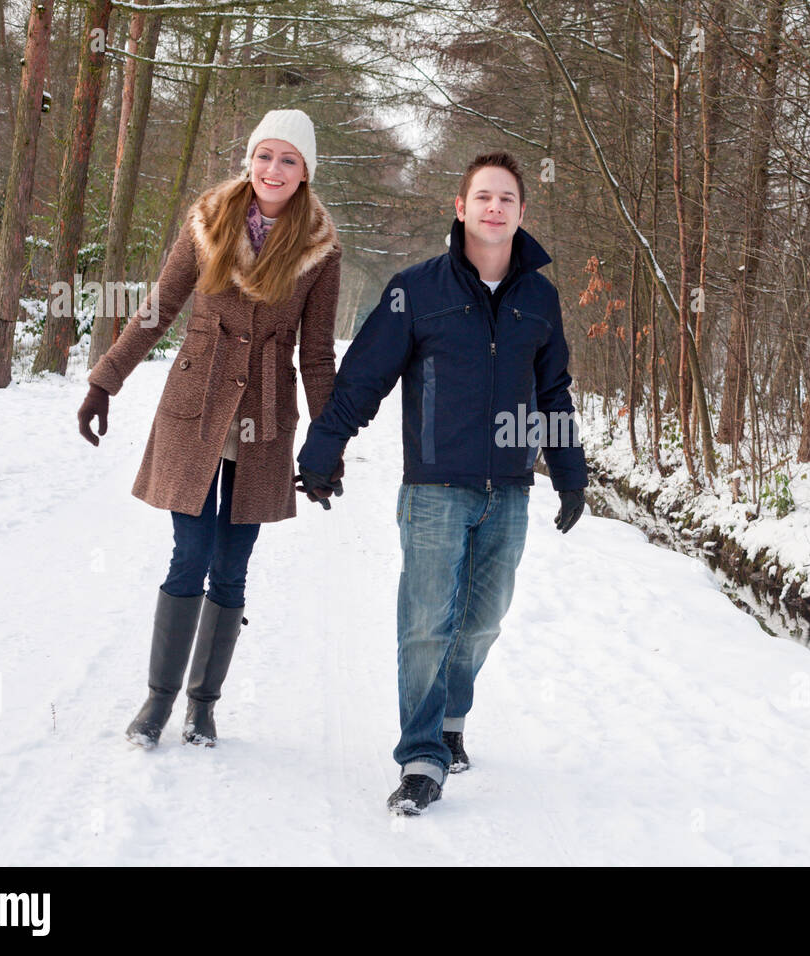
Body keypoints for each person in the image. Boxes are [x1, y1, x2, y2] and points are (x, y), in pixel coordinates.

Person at [296, 151, 587, 815]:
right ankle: (422, 756)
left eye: (506, 198)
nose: (494, 207)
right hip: (433, 490)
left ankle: (452, 716)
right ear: (460, 208)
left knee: (482, 623)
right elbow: (365, 376)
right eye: (482, 196)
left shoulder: (539, 298)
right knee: (427, 624)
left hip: (510, 490)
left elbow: (554, 391)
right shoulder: (416, 290)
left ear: (521, 212)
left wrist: (570, 474)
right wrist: (323, 448)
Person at [77, 109, 343, 749]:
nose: (272, 169)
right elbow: (159, 307)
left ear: (305, 172)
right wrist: (103, 381)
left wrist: (327, 443)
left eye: (288, 160)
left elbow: (316, 354)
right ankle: (157, 703)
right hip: (195, 409)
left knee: (232, 568)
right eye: (264, 155)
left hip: (266, 420)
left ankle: (203, 705)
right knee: (189, 554)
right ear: (250, 159)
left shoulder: (320, 249)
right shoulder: (208, 223)